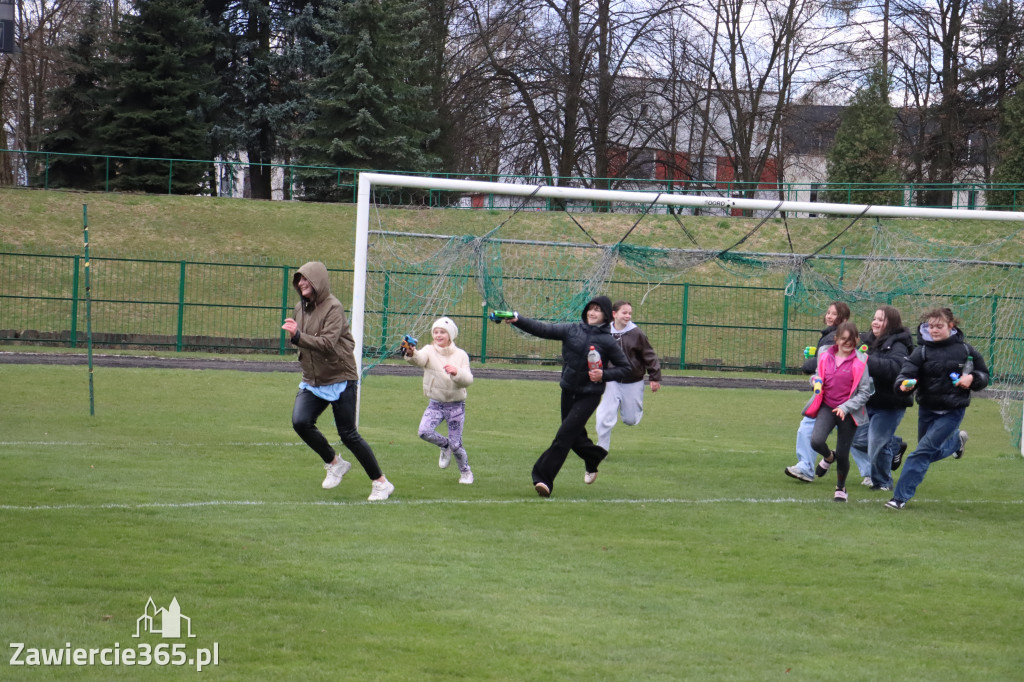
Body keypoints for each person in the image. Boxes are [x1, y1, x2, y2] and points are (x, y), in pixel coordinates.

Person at [282, 261, 395, 501]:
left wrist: (299, 337)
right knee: (300, 422)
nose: (301, 283)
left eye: (305, 279)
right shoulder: (298, 309)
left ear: (318, 281)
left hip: (340, 376)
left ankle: (381, 483)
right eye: (298, 279)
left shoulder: (334, 307)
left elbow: (326, 343)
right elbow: (303, 342)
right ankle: (335, 463)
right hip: (313, 379)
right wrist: (297, 337)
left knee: (348, 435)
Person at [504, 296, 632, 497]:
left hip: (589, 396)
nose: (592, 312)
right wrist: (517, 319)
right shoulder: (572, 330)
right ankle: (594, 456)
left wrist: (604, 375)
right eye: (591, 308)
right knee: (574, 437)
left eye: (597, 310)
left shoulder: (607, 341)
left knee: (564, 436)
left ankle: (543, 479)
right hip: (568, 391)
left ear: (606, 315)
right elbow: (543, 329)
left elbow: (625, 368)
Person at [885, 308, 989, 510]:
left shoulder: (966, 351)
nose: (933, 330)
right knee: (928, 453)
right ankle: (956, 442)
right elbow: (904, 375)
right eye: (930, 326)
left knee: (920, 453)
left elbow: (984, 375)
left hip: (953, 412)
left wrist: (972, 378)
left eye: (939, 326)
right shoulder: (921, 351)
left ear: (952, 326)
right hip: (927, 409)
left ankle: (899, 498)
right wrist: (904, 385)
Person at [803, 321, 873, 502]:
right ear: (836, 339)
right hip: (827, 406)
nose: (847, 342)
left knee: (844, 453)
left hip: (849, 412)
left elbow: (865, 392)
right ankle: (828, 456)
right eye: (843, 339)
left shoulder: (861, 361)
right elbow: (818, 375)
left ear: (857, 339)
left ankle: (840, 488)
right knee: (816, 441)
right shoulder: (825, 354)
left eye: (851, 339)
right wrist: (814, 381)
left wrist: (845, 407)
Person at [785, 301, 853, 483]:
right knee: (807, 427)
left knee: (862, 441)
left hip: (844, 400)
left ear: (844, 319)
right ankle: (806, 467)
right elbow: (823, 363)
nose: (829, 316)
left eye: (834, 314)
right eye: (828, 313)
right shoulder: (828, 336)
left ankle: (873, 473)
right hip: (825, 396)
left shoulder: (834, 337)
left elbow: (827, 362)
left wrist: (811, 363)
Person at [403, 316, 475, 484]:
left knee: (457, 445)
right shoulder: (429, 350)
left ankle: (466, 472)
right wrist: (411, 353)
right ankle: (444, 445)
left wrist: (456, 372)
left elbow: (468, 380)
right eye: (436, 332)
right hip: (435, 404)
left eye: (442, 332)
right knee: (424, 432)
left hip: (456, 405)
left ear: (450, 335)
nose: (438, 335)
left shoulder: (461, 355)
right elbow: (419, 359)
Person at [849, 306, 912, 491]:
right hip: (867, 401)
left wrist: (866, 360)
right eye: (874, 318)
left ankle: (883, 482)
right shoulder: (866, 340)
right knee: (856, 440)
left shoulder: (899, 345)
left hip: (890, 403)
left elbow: (895, 369)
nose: (875, 322)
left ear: (891, 323)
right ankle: (894, 443)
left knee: (876, 442)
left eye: (880, 319)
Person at [594, 301, 662, 454]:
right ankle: (600, 450)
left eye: (630, 313)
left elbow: (649, 355)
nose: (628, 316)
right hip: (611, 379)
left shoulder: (636, 333)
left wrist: (654, 377)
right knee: (604, 416)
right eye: (624, 312)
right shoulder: (604, 331)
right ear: (614, 314)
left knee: (630, 419)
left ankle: (625, 408)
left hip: (633, 381)